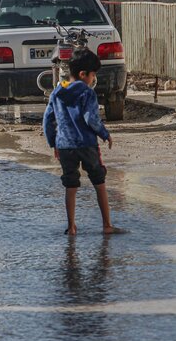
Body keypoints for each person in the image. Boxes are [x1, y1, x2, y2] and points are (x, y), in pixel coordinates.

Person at [42, 48, 125, 236]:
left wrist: (53, 143)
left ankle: (71, 227)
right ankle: (106, 225)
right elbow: (90, 119)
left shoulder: (57, 92)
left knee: (70, 186)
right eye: (93, 74)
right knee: (99, 182)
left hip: (65, 146)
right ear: (83, 74)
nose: (93, 78)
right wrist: (104, 133)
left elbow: (48, 120)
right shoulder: (87, 93)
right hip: (87, 144)